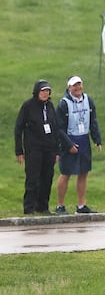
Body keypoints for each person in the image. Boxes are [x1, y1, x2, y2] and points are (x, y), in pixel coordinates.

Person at [55, 76, 102, 215]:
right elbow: (59, 128)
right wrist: (68, 144)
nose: (77, 88)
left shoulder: (88, 100)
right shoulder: (63, 104)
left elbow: (93, 121)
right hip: (69, 140)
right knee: (66, 173)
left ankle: (81, 206)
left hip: (83, 139)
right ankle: (60, 206)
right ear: (69, 87)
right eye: (74, 85)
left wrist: (97, 139)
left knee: (83, 173)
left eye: (79, 85)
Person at [14, 80, 60, 215]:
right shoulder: (28, 106)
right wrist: (19, 150)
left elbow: (55, 128)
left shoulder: (50, 106)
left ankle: (42, 206)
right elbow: (18, 128)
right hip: (33, 149)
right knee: (33, 178)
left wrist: (57, 150)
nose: (45, 93)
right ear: (37, 92)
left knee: (47, 177)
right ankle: (29, 208)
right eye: (43, 91)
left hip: (49, 149)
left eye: (47, 91)